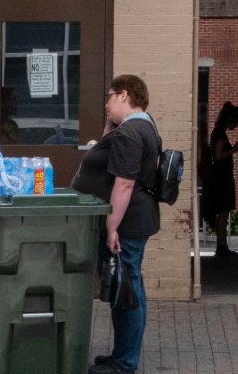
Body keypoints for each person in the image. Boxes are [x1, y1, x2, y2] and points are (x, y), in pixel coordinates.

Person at [73, 75, 163, 374]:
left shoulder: (131, 133)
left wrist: (111, 228)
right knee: (131, 287)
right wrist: (109, 129)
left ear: (124, 95)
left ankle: (124, 363)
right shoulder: (143, 125)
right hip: (136, 220)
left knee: (125, 290)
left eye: (110, 97)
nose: (106, 104)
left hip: (125, 225)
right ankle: (123, 355)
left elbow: (124, 183)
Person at [204, 101, 238, 258]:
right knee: (223, 213)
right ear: (229, 119)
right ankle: (221, 247)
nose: (236, 125)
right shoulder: (219, 134)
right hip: (221, 179)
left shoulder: (219, 133)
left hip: (221, 179)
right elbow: (217, 156)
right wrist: (235, 150)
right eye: (236, 122)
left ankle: (222, 246)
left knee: (223, 213)